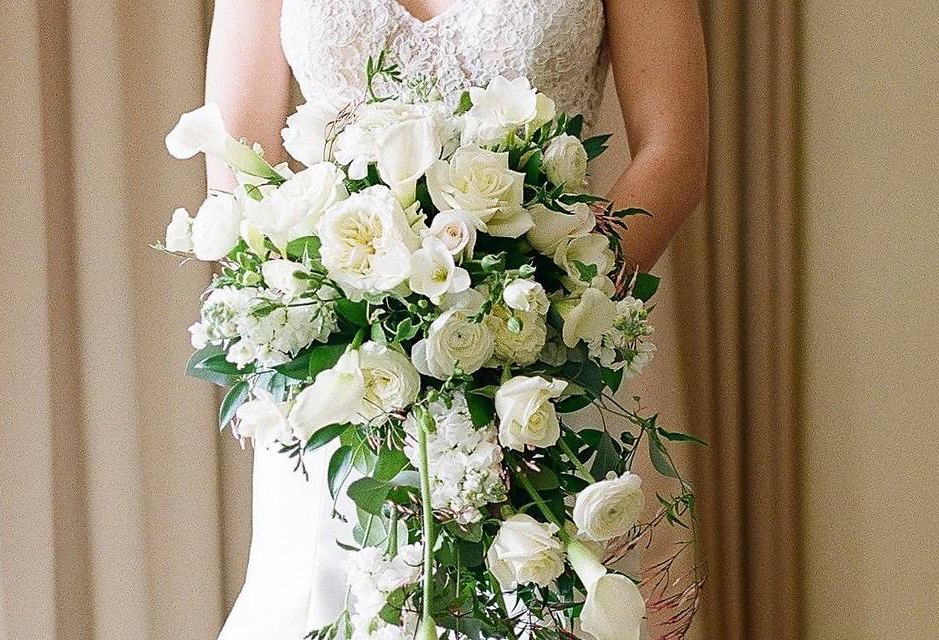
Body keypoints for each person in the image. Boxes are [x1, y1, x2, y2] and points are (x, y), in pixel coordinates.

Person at [206, 2, 708, 638]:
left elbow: (674, 153)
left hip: (539, 381)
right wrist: (343, 315)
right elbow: (236, 166)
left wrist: (552, 308)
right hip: (345, 382)